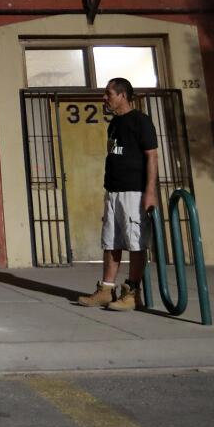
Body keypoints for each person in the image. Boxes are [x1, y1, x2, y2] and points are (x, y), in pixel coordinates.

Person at [78, 78, 159, 311]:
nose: (105, 98)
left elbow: (152, 156)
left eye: (108, 93)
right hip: (113, 191)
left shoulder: (141, 122)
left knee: (135, 243)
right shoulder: (114, 123)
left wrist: (150, 192)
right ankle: (106, 290)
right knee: (111, 241)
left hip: (135, 192)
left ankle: (132, 293)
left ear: (123, 95)